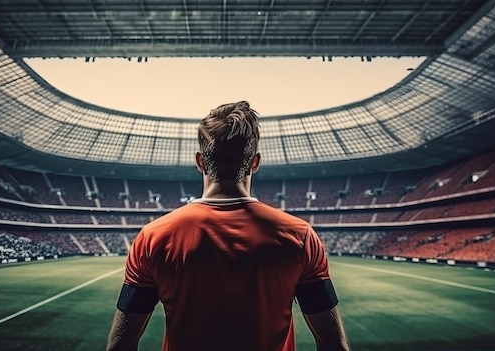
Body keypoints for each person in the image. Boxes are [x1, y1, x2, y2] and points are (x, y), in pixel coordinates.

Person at [106, 101, 349, 351]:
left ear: (200, 162)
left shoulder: (153, 237)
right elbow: (333, 344)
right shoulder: (300, 236)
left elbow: (121, 344)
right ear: (255, 162)